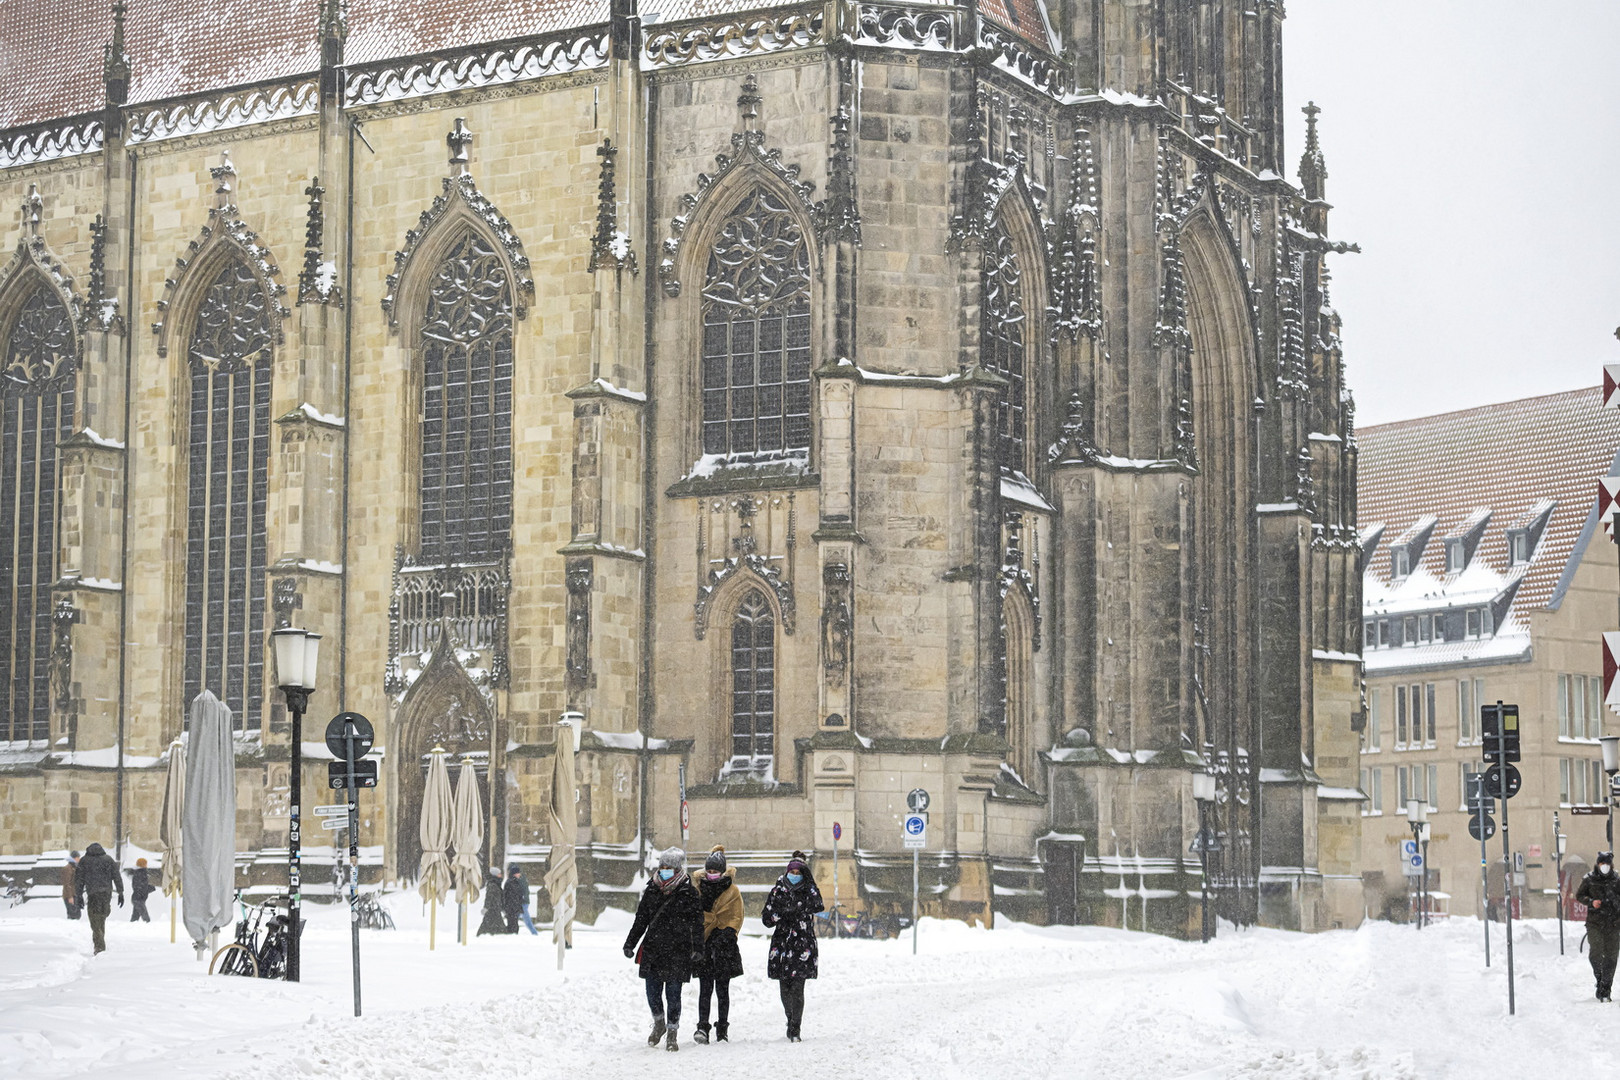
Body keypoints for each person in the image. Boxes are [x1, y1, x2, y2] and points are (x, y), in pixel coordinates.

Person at [623, 848, 703, 1052]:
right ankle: (659, 1023)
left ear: (678, 869)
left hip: (678, 950)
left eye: (669, 868)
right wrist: (630, 943)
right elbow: (641, 920)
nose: (665, 871)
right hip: (654, 949)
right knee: (652, 992)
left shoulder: (689, 892)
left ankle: (672, 1032)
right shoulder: (651, 889)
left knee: (673, 994)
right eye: (662, 867)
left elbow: (697, 923)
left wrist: (698, 949)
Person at [761, 850, 823, 1042]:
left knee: (798, 986)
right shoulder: (778, 890)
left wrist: (810, 883)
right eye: (792, 872)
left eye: (799, 873)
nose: (795, 876)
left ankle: (796, 1027)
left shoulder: (808, 890)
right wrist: (781, 913)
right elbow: (767, 919)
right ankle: (790, 1018)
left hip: (802, 943)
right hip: (782, 944)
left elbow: (818, 905)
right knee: (784, 986)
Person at [693, 845, 744, 1044]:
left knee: (723, 990)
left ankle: (722, 1028)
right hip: (704, 944)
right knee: (705, 989)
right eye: (710, 870)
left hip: (725, 946)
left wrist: (728, 933)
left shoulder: (733, 891)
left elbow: (737, 916)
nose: (712, 874)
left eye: (715, 871)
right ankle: (702, 1026)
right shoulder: (697, 889)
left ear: (722, 871)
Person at [1578, 851, 1620, 1001]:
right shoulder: (1589, 879)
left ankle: (1606, 988)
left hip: (1613, 924)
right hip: (1595, 923)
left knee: (1611, 956)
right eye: (1602, 864)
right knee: (1595, 953)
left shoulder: (1616, 880)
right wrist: (1591, 902)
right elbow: (1579, 896)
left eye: (1607, 864)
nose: (1605, 867)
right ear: (1598, 864)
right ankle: (1600, 978)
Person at [73, 842, 124, 954]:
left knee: (94, 918)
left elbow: (79, 880)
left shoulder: (85, 861)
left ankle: (99, 945)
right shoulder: (108, 860)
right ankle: (99, 943)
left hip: (93, 893)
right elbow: (117, 876)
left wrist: (79, 895)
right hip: (106, 893)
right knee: (101, 917)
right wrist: (120, 892)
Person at [504, 865, 538, 935]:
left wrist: (522, 899)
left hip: (522, 902)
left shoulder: (519, 880)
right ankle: (533, 933)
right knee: (517, 918)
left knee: (523, 919)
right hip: (520, 902)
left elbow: (522, 891)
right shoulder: (518, 880)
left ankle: (534, 933)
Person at [478, 866, 511, 936]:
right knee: (493, 922)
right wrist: (486, 907)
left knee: (489, 923)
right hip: (493, 908)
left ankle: (483, 934)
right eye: (499, 874)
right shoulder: (493, 885)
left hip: (495, 908)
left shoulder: (496, 883)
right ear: (495, 875)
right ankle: (501, 934)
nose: (500, 875)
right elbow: (489, 898)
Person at [127, 858, 155, 923]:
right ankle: (150, 929)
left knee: (135, 918)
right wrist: (150, 888)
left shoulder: (139, 873)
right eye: (145, 864)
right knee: (146, 919)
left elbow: (140, 886)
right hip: (138, 899)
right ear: (142, 865)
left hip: (137, 898)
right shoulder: (141, 873)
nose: (146, 865)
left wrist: (149, 888)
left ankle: (130, 928)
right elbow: (140, 887)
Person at [62, 852, 81, 920]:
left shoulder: (74, 867)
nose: (79, 859)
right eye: (78, 858)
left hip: (74, 894)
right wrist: (70, 897)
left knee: (76, 914)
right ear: (75, 858)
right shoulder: (68, 868)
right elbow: (67, 884)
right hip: (70, 895)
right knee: (73, 915)